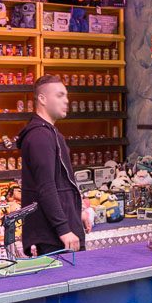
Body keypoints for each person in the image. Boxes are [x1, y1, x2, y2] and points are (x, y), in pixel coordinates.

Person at [17, 74, 87, 256]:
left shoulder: (51, 134)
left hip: (58, 234)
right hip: (53, 238)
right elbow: (46, 186)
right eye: (60, 95)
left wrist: (76, 211)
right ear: (42, 99)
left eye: (66, 96)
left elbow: (61, 183)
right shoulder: (39, 136)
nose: (66, 101)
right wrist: (63, 229)